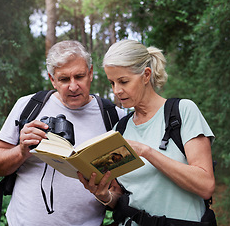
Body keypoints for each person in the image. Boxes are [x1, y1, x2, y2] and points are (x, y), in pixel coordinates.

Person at [0, 40, 125, 225]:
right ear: (52, 80)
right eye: (64, 79)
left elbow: (122, 190)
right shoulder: (29, 106)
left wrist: (106, 194)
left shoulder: (114, 116)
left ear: (90, 73)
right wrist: (21, 151)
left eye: (79, 76)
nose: (73, 86)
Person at [78, 39, 215, 225]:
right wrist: (104, 196)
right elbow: (119, 194)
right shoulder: (121, 129)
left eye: (123, 81)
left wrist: (147, 152)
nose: (116, 91)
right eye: (112, 83)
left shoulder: (181, 112)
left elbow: (206, 186)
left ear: (146, 75)